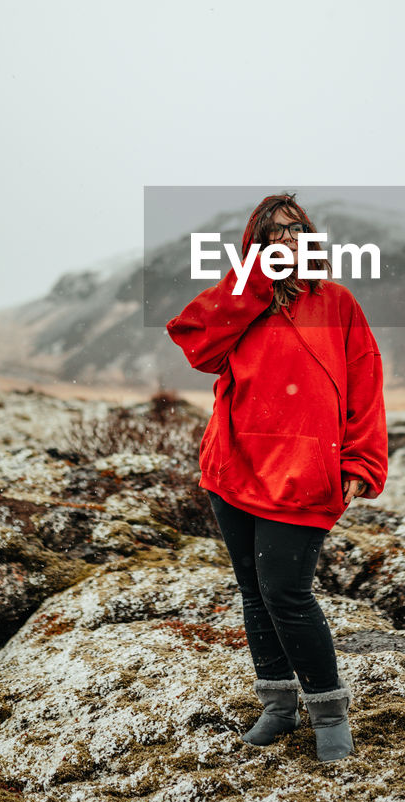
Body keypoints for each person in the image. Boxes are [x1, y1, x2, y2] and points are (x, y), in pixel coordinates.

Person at [166, 192, 388, 763]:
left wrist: (361, 461)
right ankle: (278, 705)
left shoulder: (337, 302)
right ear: (256, 246)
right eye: (273, 233)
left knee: (287, 594)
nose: (287, 240)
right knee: (254, 594)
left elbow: (365, 383)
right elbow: (196, 343)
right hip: (234, 466)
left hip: (304, 475)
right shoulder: (243, 300)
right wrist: (254, 284)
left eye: (297, 230)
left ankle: (328, 711)